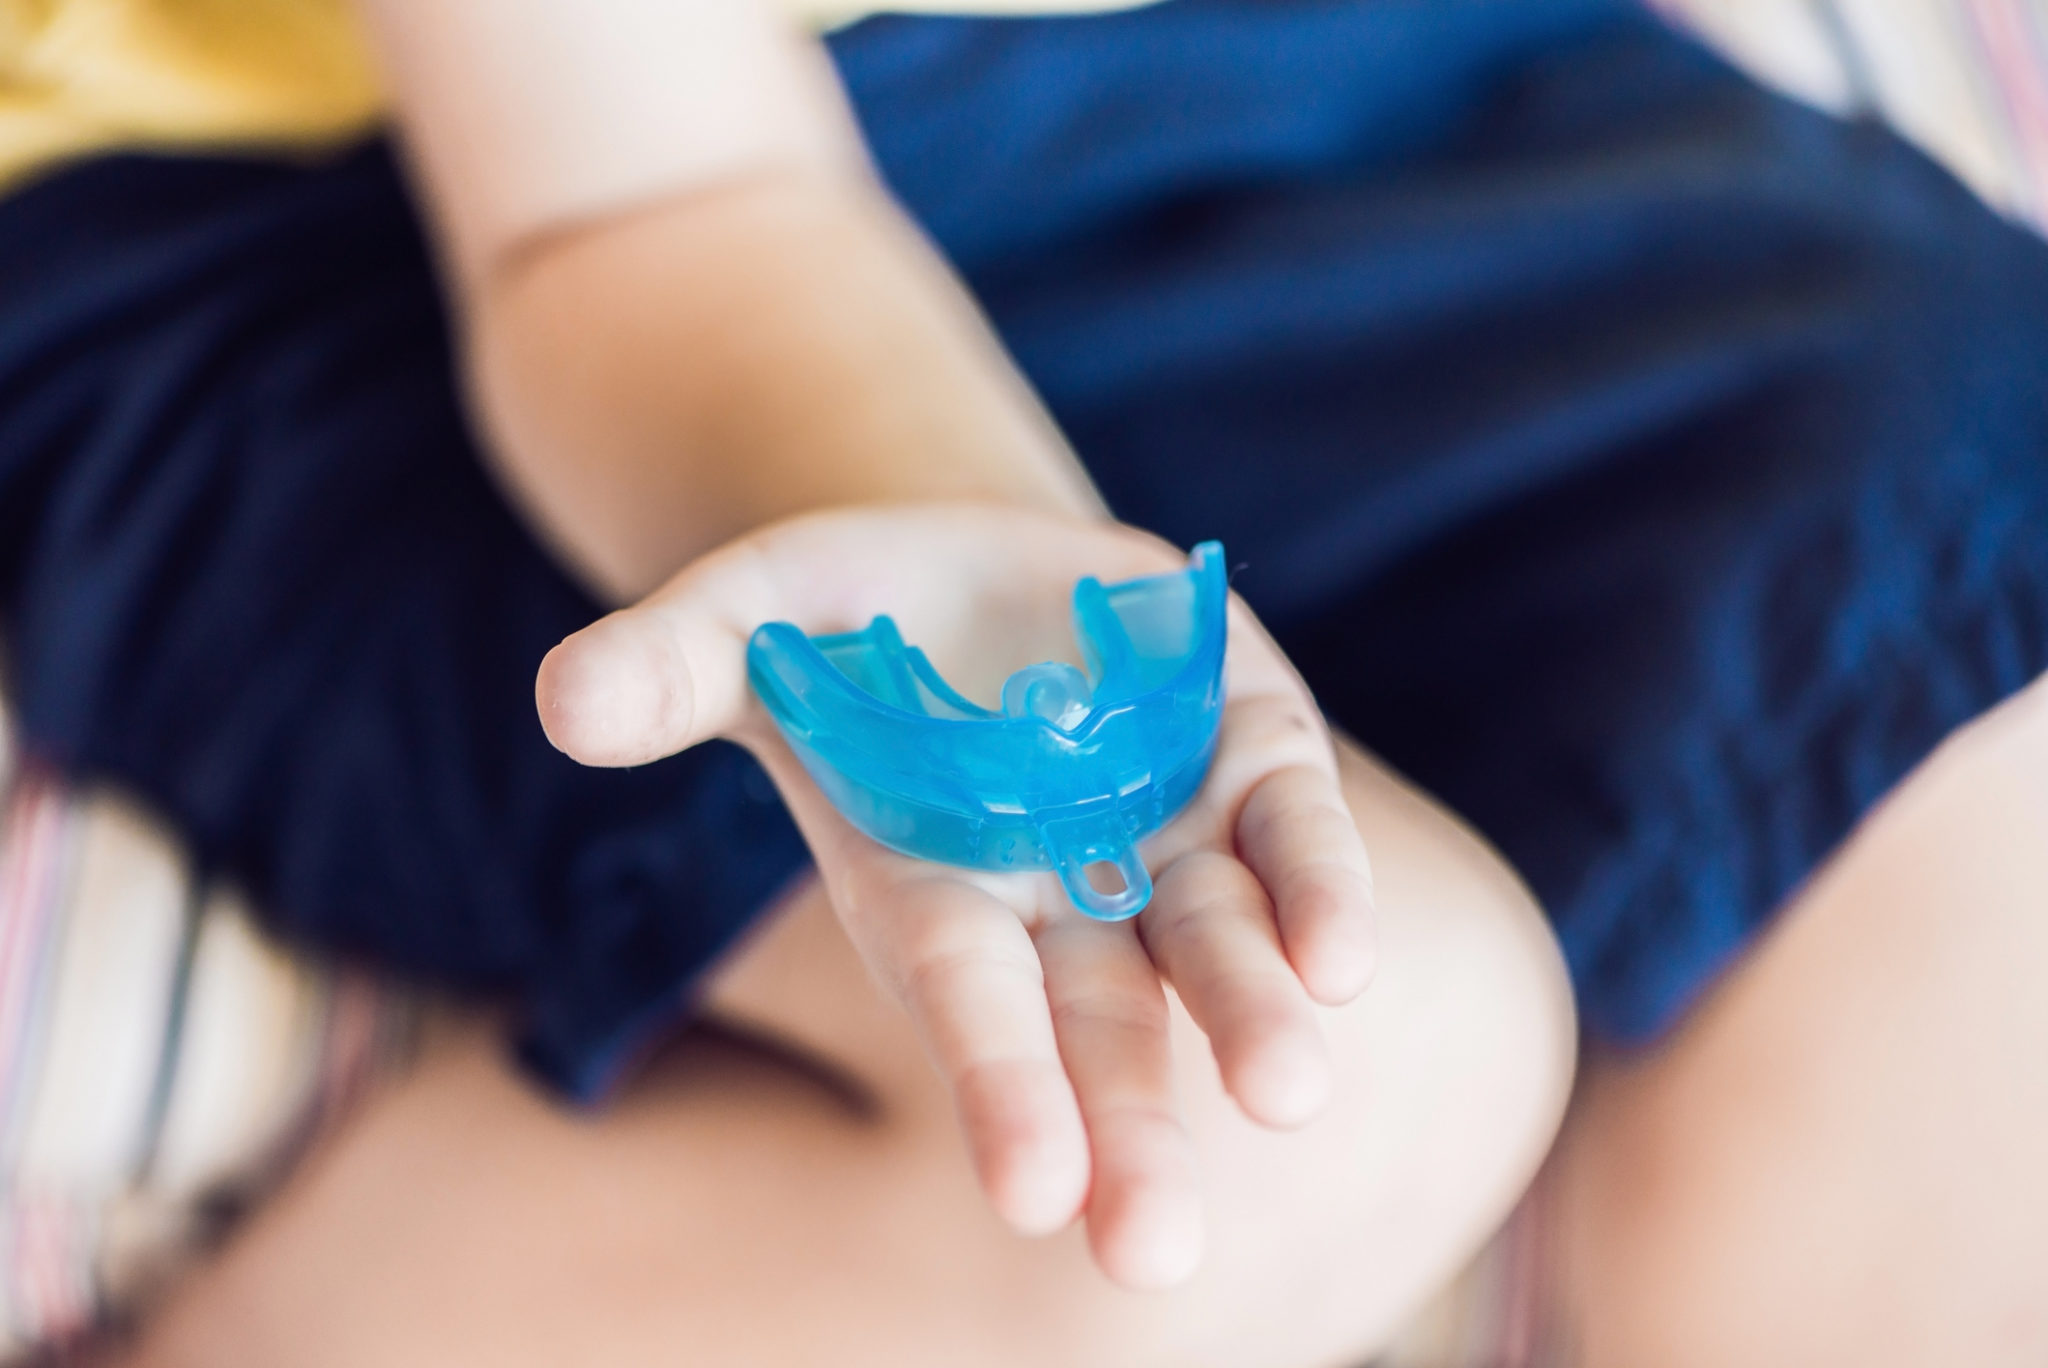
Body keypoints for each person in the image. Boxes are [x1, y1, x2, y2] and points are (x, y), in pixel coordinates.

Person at [2, 0, 2047, 1361]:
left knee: (1968, 539)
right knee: (1293, 1076)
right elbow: (648, 215)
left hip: (1290, 86)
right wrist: (945, 530)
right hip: (407, 235)